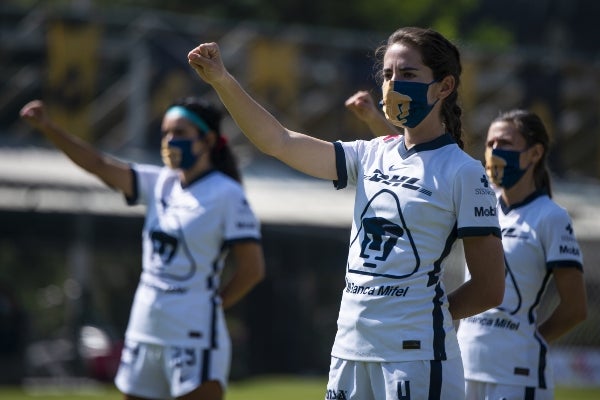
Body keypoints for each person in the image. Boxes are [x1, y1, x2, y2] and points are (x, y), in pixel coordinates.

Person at [188, 26, 505, 400]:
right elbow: (279, 141)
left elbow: (489, 287)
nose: (393, 84)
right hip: (349, 349)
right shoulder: (370, 154)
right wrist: (222, 81)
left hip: (416, 357)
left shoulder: (464, 173)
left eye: (408, 74)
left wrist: (423, 317)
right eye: (387, 74)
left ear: (444, 87)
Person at [19, 97, 266, 400]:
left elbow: (252, 270)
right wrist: (48, 128)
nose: (170, 141)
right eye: (166, 133)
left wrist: (213, 305)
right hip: (144, 328)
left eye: (180, 133)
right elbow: (98, 164)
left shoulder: (227, 194)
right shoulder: (159, 182)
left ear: (208, 140)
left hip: (193, 335)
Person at [456, 109, 587, 400]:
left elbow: (575, 308)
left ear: (534, 153)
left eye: (504, 143)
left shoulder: (551, 217)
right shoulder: (481, 204)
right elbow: (424, 170)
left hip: (516, 375)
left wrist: (529, 339)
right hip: (462, 366)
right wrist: (375, 119)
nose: (494, 151)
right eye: (490, 144)